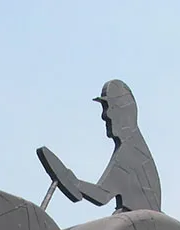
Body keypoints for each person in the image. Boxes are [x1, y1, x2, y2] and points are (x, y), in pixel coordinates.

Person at [41, 80, 163, 213]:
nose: (105, 116)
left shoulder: (130, 154)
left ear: (125, 112)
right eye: (105, 109)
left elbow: (102, 195)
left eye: (110, 108)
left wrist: (73, 182)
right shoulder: (135, 148)